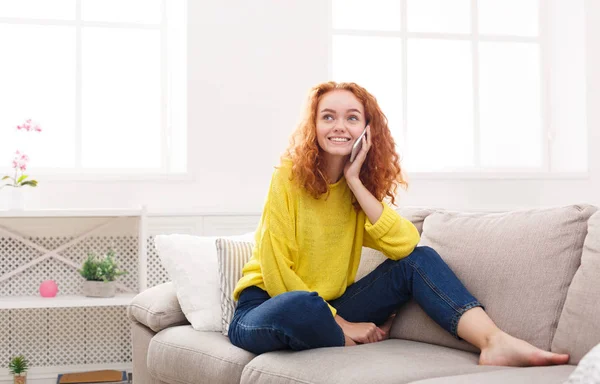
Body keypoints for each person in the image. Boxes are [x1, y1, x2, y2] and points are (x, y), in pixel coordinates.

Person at [228, 81, 569, 367]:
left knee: (419, 260)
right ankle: (346, 339)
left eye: (352, 118)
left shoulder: (355, 193)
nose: (339, 126)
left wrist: (356, 183)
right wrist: (345, 324)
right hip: (267, 305)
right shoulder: (287, 178)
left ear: (366, 130)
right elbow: (275, 269)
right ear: (313, 126)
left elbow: (405, 245)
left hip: (329, 306)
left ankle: (494, 342)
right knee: (302, 306)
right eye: (328, 117)